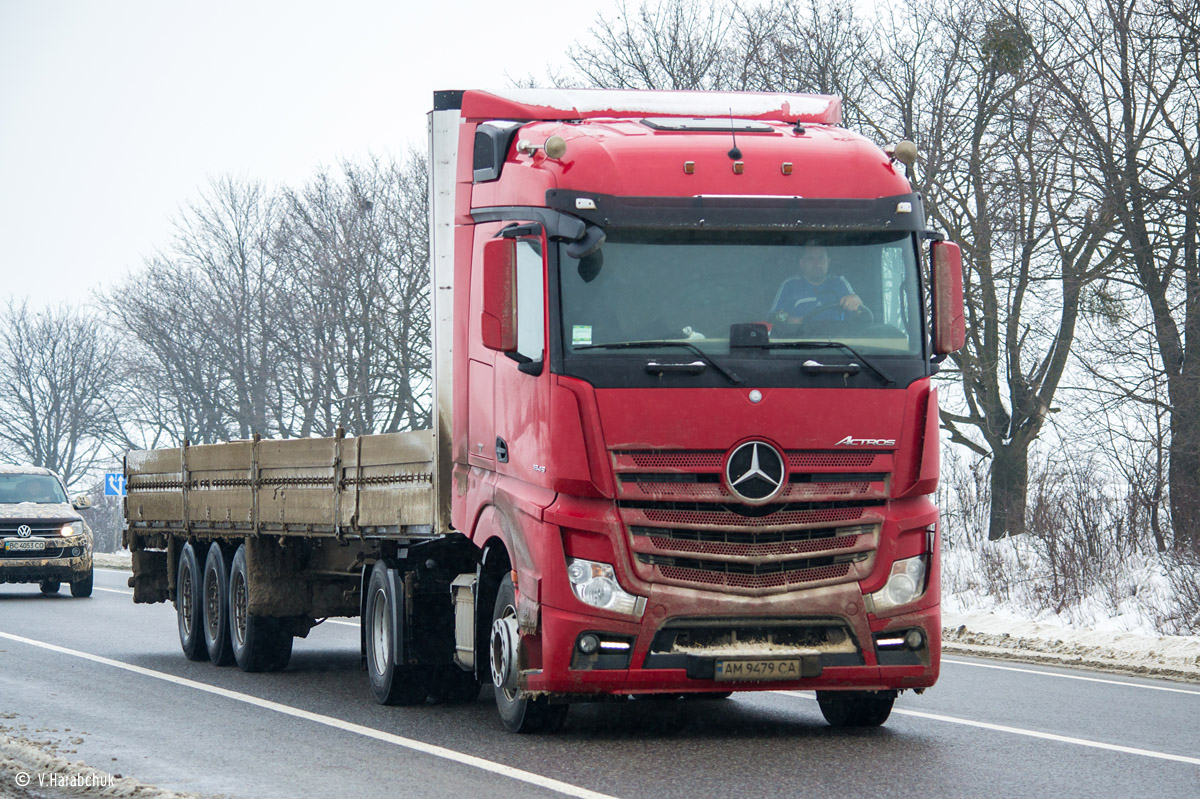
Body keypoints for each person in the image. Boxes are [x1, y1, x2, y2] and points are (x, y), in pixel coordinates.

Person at [771, 245, 863, 323]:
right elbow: (772, 318)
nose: (817, 264)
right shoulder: (789, 285)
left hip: (836, 341)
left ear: (828, 262)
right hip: (799, 340)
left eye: (821, 258)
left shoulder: (839, 283)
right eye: (811, 259)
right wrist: (788, 320)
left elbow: (858, 314)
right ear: (802, 264)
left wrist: (855, 301)